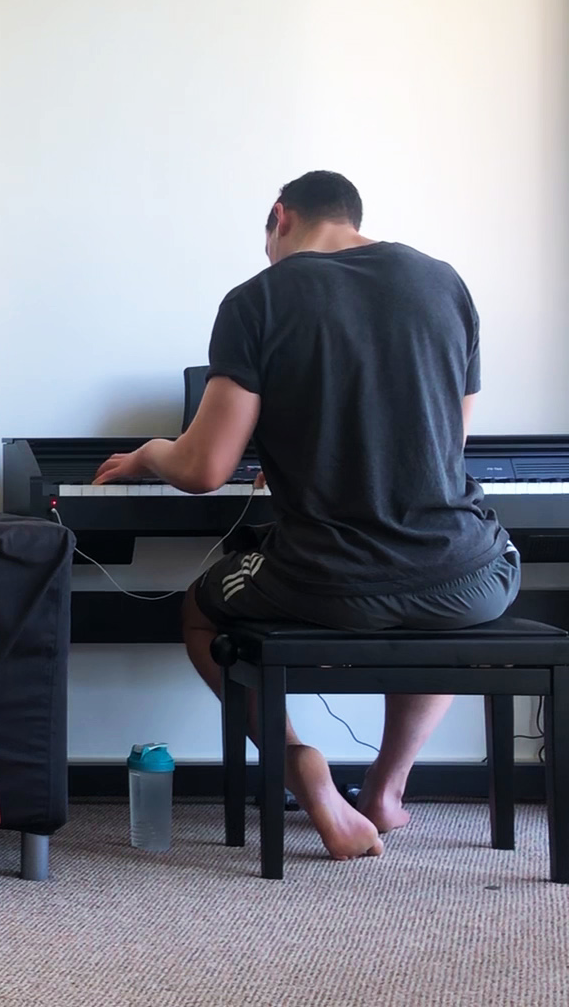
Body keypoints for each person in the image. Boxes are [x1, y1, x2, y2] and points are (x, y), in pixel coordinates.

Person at [93, 170, 518, 861]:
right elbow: (444, 444)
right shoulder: (445, 283)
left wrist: (147, 454)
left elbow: (203, 469)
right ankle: (386, 787)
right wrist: (304, 449)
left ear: (280, 218)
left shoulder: (261, 297)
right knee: (453, 603)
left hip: (328, 580)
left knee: (201, 612)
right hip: (463, 575)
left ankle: (299, 766)